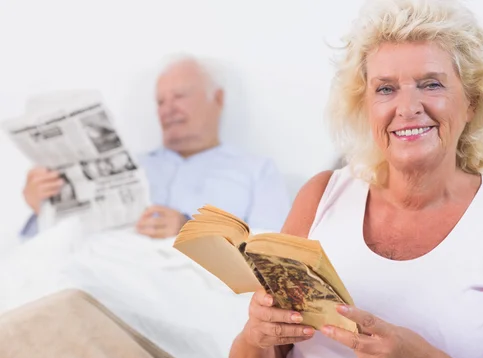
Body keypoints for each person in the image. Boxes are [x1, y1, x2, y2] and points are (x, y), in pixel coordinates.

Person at [227, 0, 483, 358]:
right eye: (385, 89)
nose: (407, 108)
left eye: (431, 84)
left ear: (471, 101)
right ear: (366, 105)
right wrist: (257, 333)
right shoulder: (321, 196)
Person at [20, 55, 291, 239]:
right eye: (160, 102)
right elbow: (56, 247)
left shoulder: (257, 171)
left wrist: (190, 230)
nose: (167, 109)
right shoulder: (133, 166)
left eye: (180, 96)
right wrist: (41, 208)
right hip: (105, 285)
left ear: (217, 99)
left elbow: (272, 251)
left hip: (200, 297)